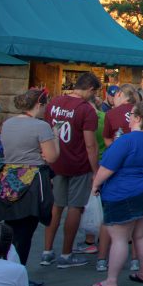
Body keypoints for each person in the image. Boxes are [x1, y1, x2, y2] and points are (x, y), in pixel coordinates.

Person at [89, 102, 143, 286]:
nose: (129, 118)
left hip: (125, 192)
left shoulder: (126, 141)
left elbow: (107, 168)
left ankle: (111, 281)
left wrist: (95, 185)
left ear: (138, 118)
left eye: (131, 115)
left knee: (119, 238)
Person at [41, 73, 100, 269]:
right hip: (78, 164)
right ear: (90, 89)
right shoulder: (86, 109)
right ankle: (66, 254)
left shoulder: (54, 103)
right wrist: (95, 170)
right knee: (75, 207)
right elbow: (90, 145)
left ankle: (47, 251)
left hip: (56, 162)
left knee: (56, 206)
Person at [0, 89, 57, 270]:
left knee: (11, 229)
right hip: (31, 182)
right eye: (45, 105)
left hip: (7, 180)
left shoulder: (8, 123)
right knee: (25, 232)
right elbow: (52, 157)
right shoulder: (41, 126)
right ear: (39, 105)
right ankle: (18, 273)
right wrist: (56, 138)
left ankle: (7, 269)